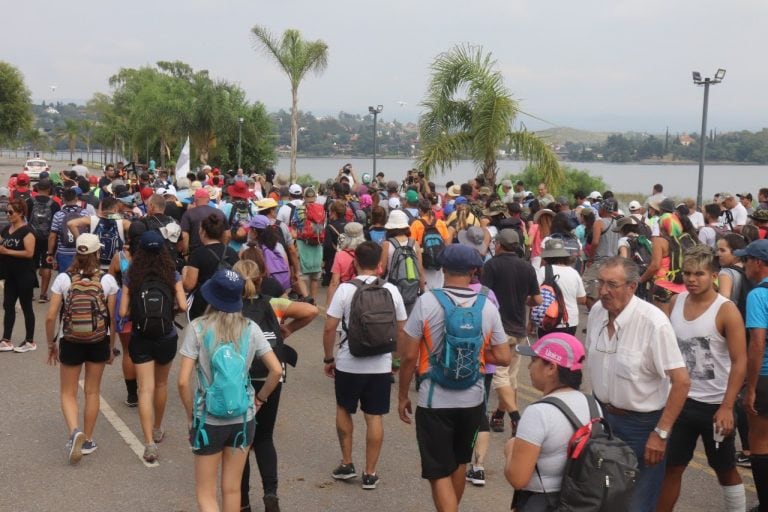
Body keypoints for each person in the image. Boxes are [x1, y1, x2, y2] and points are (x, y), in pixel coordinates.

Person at [398, 244, 510, 512]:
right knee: (459, 463)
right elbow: (504, 356)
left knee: (438, 472)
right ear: (474, 271)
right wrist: (478, 356)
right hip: (472, 401)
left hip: (434, 400)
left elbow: (409, 356)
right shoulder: (487, 305)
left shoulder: (427, 301)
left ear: (444, 269)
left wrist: (402, 395)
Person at [585, 256, 691, 512]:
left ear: (632, 287)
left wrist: (661, 433)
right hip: (602, 418)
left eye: (612, 284)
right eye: (601, 283)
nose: (603, 291)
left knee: (637, 503)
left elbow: (681, 381)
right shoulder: (597, 312)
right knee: (598, 496)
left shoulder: (653, 323)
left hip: (641, 427)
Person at [178, 269, 282, 512]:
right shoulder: (250, 328)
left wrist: (191, 416)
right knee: (233, 489)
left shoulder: (197, 328)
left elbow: (183, 382)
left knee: (206, 493)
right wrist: (260, 398)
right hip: (243, 417)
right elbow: (276, 371)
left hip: (208, 418)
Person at [657, 245, 747, 512]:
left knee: (725, 469)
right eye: (687, 273)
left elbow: (740, 361)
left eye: (699, 274)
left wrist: (727, 407)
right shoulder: (677, 302)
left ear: (714, 275)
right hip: (681, 403)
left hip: (716, 406)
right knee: (672, 467)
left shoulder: (726, 310)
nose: (692, 279)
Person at [234, 259, 319, 512]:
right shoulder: (273, 304)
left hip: (241, 377)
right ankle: (270, 492)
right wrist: (288, 329)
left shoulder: (231, 307)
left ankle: (243, 502)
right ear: (262, 279)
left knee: (242, 441)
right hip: (271, 375)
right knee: (264, 438)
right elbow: (312, 311)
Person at [323, 241, 407, 489]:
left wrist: (329, 358)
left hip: (349, 362)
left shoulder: (345, 290)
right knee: (374, 417)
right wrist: (396, 359)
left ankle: (347, 463)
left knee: (343, 409)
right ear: (380, 265)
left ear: (355, 262)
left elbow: (329, 327)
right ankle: (370, 473)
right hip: (380, 364)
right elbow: (402, 330)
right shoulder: (391, 290)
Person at [45, 233, 118, 464]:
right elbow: (112, 320)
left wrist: (51, 343)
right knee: (92, 391)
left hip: (71, 340)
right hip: (98, 340)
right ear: (97, 253)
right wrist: (111, 347)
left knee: (68, 392)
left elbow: (50, 316)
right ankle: (87, 439)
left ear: (77, 252)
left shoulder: (64, 279)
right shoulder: (107, 281)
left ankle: (74, 431)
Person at [120, 231, 188, 463]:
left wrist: (136, 311)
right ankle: (158, 428)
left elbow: (121, 312)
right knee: (161, 384)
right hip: (166, 335)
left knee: (144, 389)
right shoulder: (172, 273)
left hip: (141, 336)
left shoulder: (132, 275)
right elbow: (181, 304)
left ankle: (148, 443)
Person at [503, 333, 591, 510]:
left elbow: (518, 479)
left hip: (543, 502)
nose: (528, 366)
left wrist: (510, 448)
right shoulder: (591, 403)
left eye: (534, 360)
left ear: (551, 367)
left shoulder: (538, 413)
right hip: (578, 501)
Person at [481, 229, 542, 434]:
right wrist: (523, 299)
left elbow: (484, 296)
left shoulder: (491, 265)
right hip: (518, 328)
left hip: (497, 329)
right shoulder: (527, 268)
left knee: (499, 376)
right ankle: (499, 416)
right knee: (510, 376)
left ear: (498, 244)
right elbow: (537, 300)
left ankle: (516, 417)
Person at [733, 239, 768, 511]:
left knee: (759, 442)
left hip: (765, 376)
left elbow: (757, 342)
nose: (743, 265)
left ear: (758, 263)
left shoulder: (758, 295)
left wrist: (751, 387)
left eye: (746, 260)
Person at [183, 213, 239, 321]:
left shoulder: (197, 254)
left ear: (203, 231)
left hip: (203, 302)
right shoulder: (232, 252)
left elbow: (189, 285)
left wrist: (185, 271)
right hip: (226, 301)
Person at [0, 198, 37, 353]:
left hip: (25, 275)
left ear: (21, 213)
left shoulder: (28, 231)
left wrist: (8, 251)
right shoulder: (6, 229)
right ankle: (6, 339)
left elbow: (29, 253)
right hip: (10, 275)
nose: (8, 215)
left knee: (26, 306)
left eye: (11, 212)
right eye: (6, 212)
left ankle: (30, 341)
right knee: (8, 306)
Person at [534, 239, 586, 336]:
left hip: (549, 320)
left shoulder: (543, 271)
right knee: (564, 349)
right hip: (570, 322)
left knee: (546, 350)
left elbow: (535, 296)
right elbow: (582, 299)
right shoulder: (574, 273)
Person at [28, 178, 59, 302]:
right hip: (48, 239)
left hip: (31, 238)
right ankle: (43, 295)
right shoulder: (55, 204)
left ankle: (29, 293)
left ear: (37, 188)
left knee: (31, 265)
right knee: (47, 265)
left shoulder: (29, 202)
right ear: (49, 189)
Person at [180, 187, 230, 256]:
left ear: (195, 199)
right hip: (216, 253)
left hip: (195, 253)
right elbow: (227, 234)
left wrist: (185, 253)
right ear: (209, 199)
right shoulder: (219, 212)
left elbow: (185, 235)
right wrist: (222, 249)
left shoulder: (188, 213)